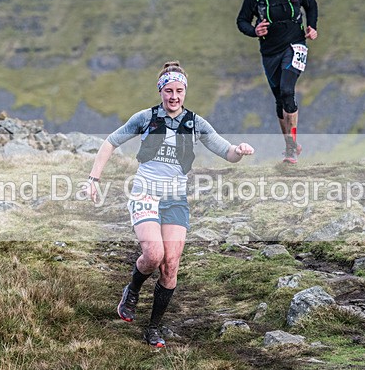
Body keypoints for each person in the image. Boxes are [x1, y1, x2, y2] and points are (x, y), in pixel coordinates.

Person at [85, 60, 255, 348]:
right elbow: (110, 143)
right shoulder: (146, 118)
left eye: (179, 91)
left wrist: (239, 150)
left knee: (170, 265)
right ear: (160, 91)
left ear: (185, 91)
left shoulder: (195, 123)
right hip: (145, 194)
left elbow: (226, 151)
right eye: (169, 91)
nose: (174, 96)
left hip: (175, 199)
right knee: (153, 255)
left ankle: (153, 328)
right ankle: (132, 290)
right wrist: (93, 179)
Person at [236, 0, 318, 164]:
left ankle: (291, 150)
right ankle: (291, 145)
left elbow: (311, 5)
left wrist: (312, 26)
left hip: (295, 45)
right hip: (270, 52)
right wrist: (254, 31)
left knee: (287, 90)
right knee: (279, 99)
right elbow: (242, 21)